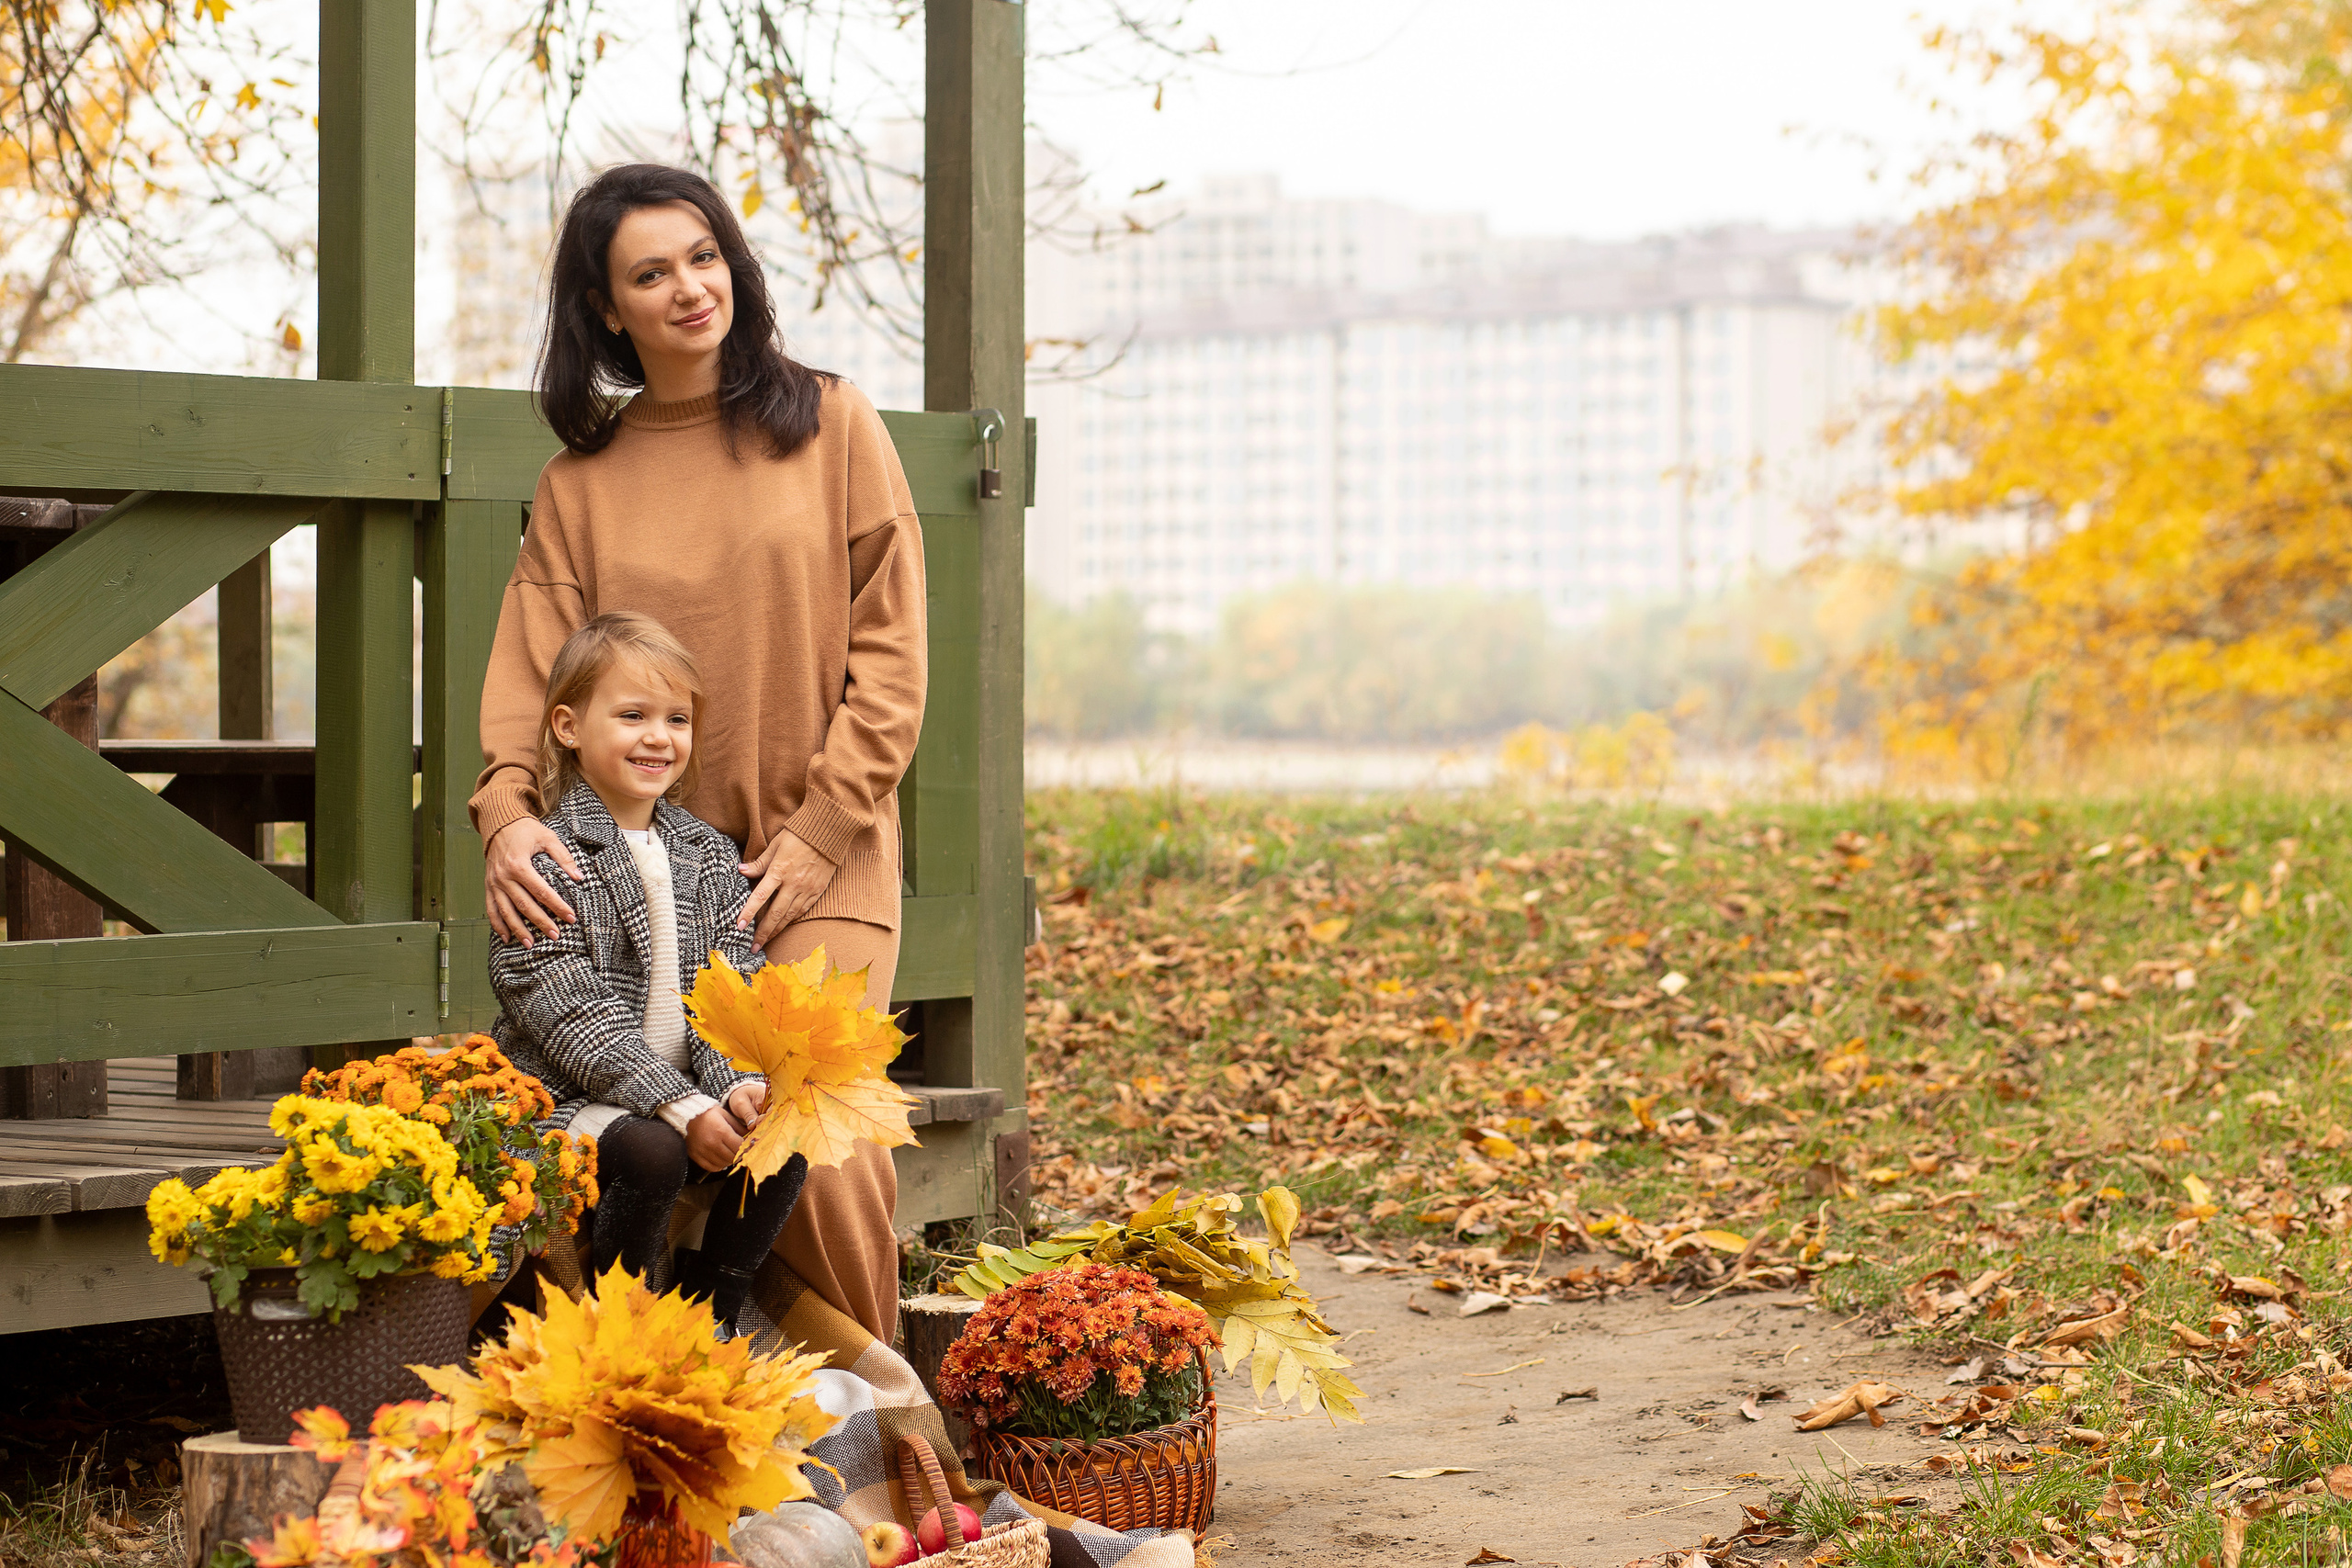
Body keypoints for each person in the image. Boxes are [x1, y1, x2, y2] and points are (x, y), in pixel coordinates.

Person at [470, 162, 925, 1344]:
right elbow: (530, 677)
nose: (689, 287)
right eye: (651, 272)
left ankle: (881, 1439)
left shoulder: (836, 424)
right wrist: (509, 814)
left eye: (705, 255)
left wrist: (825, 830)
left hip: (812, 867)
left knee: (815, 1143)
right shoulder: (580, 484)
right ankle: (673, 1418)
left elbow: (893, 657)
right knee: (673, 1141)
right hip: (644, 890)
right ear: (607, 309)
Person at [488, 612, 804, 1337]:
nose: (659, 737)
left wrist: (734, 1086)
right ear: (569, 726)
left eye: (677, 718)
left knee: (784, 1133)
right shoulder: (547, 855)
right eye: (633, 715)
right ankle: (624, 1321)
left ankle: (715, 1307)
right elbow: (567, 1010)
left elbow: (736, 986)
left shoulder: (707, 853)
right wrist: (682, 1107)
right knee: (652, 1150)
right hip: (574, 1101)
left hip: (690, 1092)